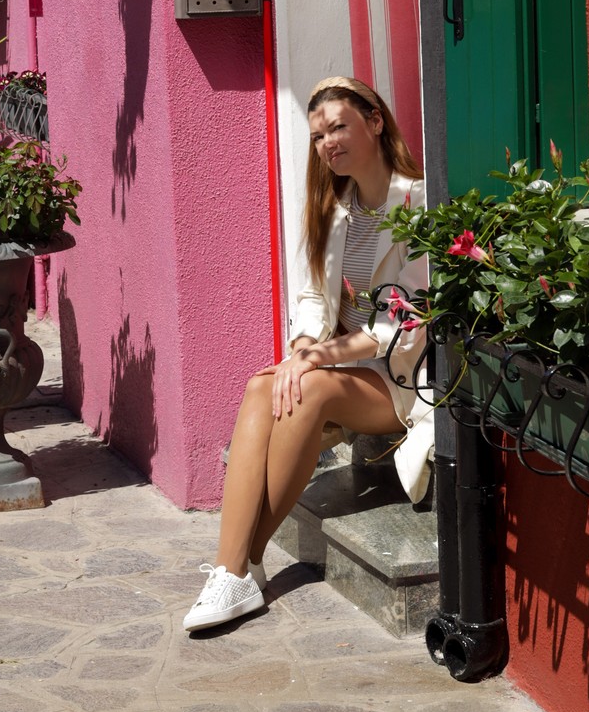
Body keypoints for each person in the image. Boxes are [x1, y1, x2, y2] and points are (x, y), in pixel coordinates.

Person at [184, 75, 434, 633]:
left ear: (375, 121)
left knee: (307, 388)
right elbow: (310, 297)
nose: (328, 143)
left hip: (399, 376)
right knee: (261, 385)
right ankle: (236, 570)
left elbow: (407, 323)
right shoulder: (336, 207)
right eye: (319, 134)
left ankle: (241, 564)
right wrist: (302, 347)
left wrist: (318, 360)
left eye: (339, 127)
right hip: (342, 362)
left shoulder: (417, 202)